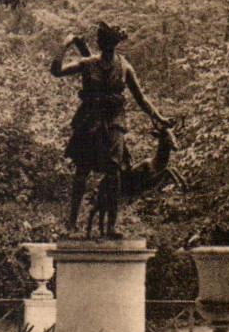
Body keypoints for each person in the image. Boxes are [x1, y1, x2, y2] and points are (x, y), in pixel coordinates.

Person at [50, 21, 171, 234]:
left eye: (110, 42)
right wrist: (65, 45)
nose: (106, 45)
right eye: (103, 41)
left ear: (115, 43)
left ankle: (111, 227)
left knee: (114, 173)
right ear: (100, 42)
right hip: (90, 120)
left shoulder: (124, 67)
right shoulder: (87, 63)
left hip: (115, 121)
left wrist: (159, 117)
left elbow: (140, 98)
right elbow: (56, 71)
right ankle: (71, 224)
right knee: (82, 171)